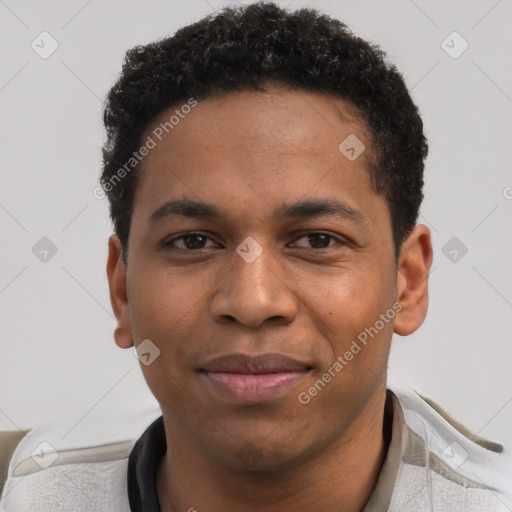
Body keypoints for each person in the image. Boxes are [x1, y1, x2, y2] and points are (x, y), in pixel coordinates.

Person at [1, 2, 511, 511]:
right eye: (193, 241)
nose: (252, 300)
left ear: (408, 282)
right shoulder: (22, 485)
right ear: (122, 290)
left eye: (317, 240)